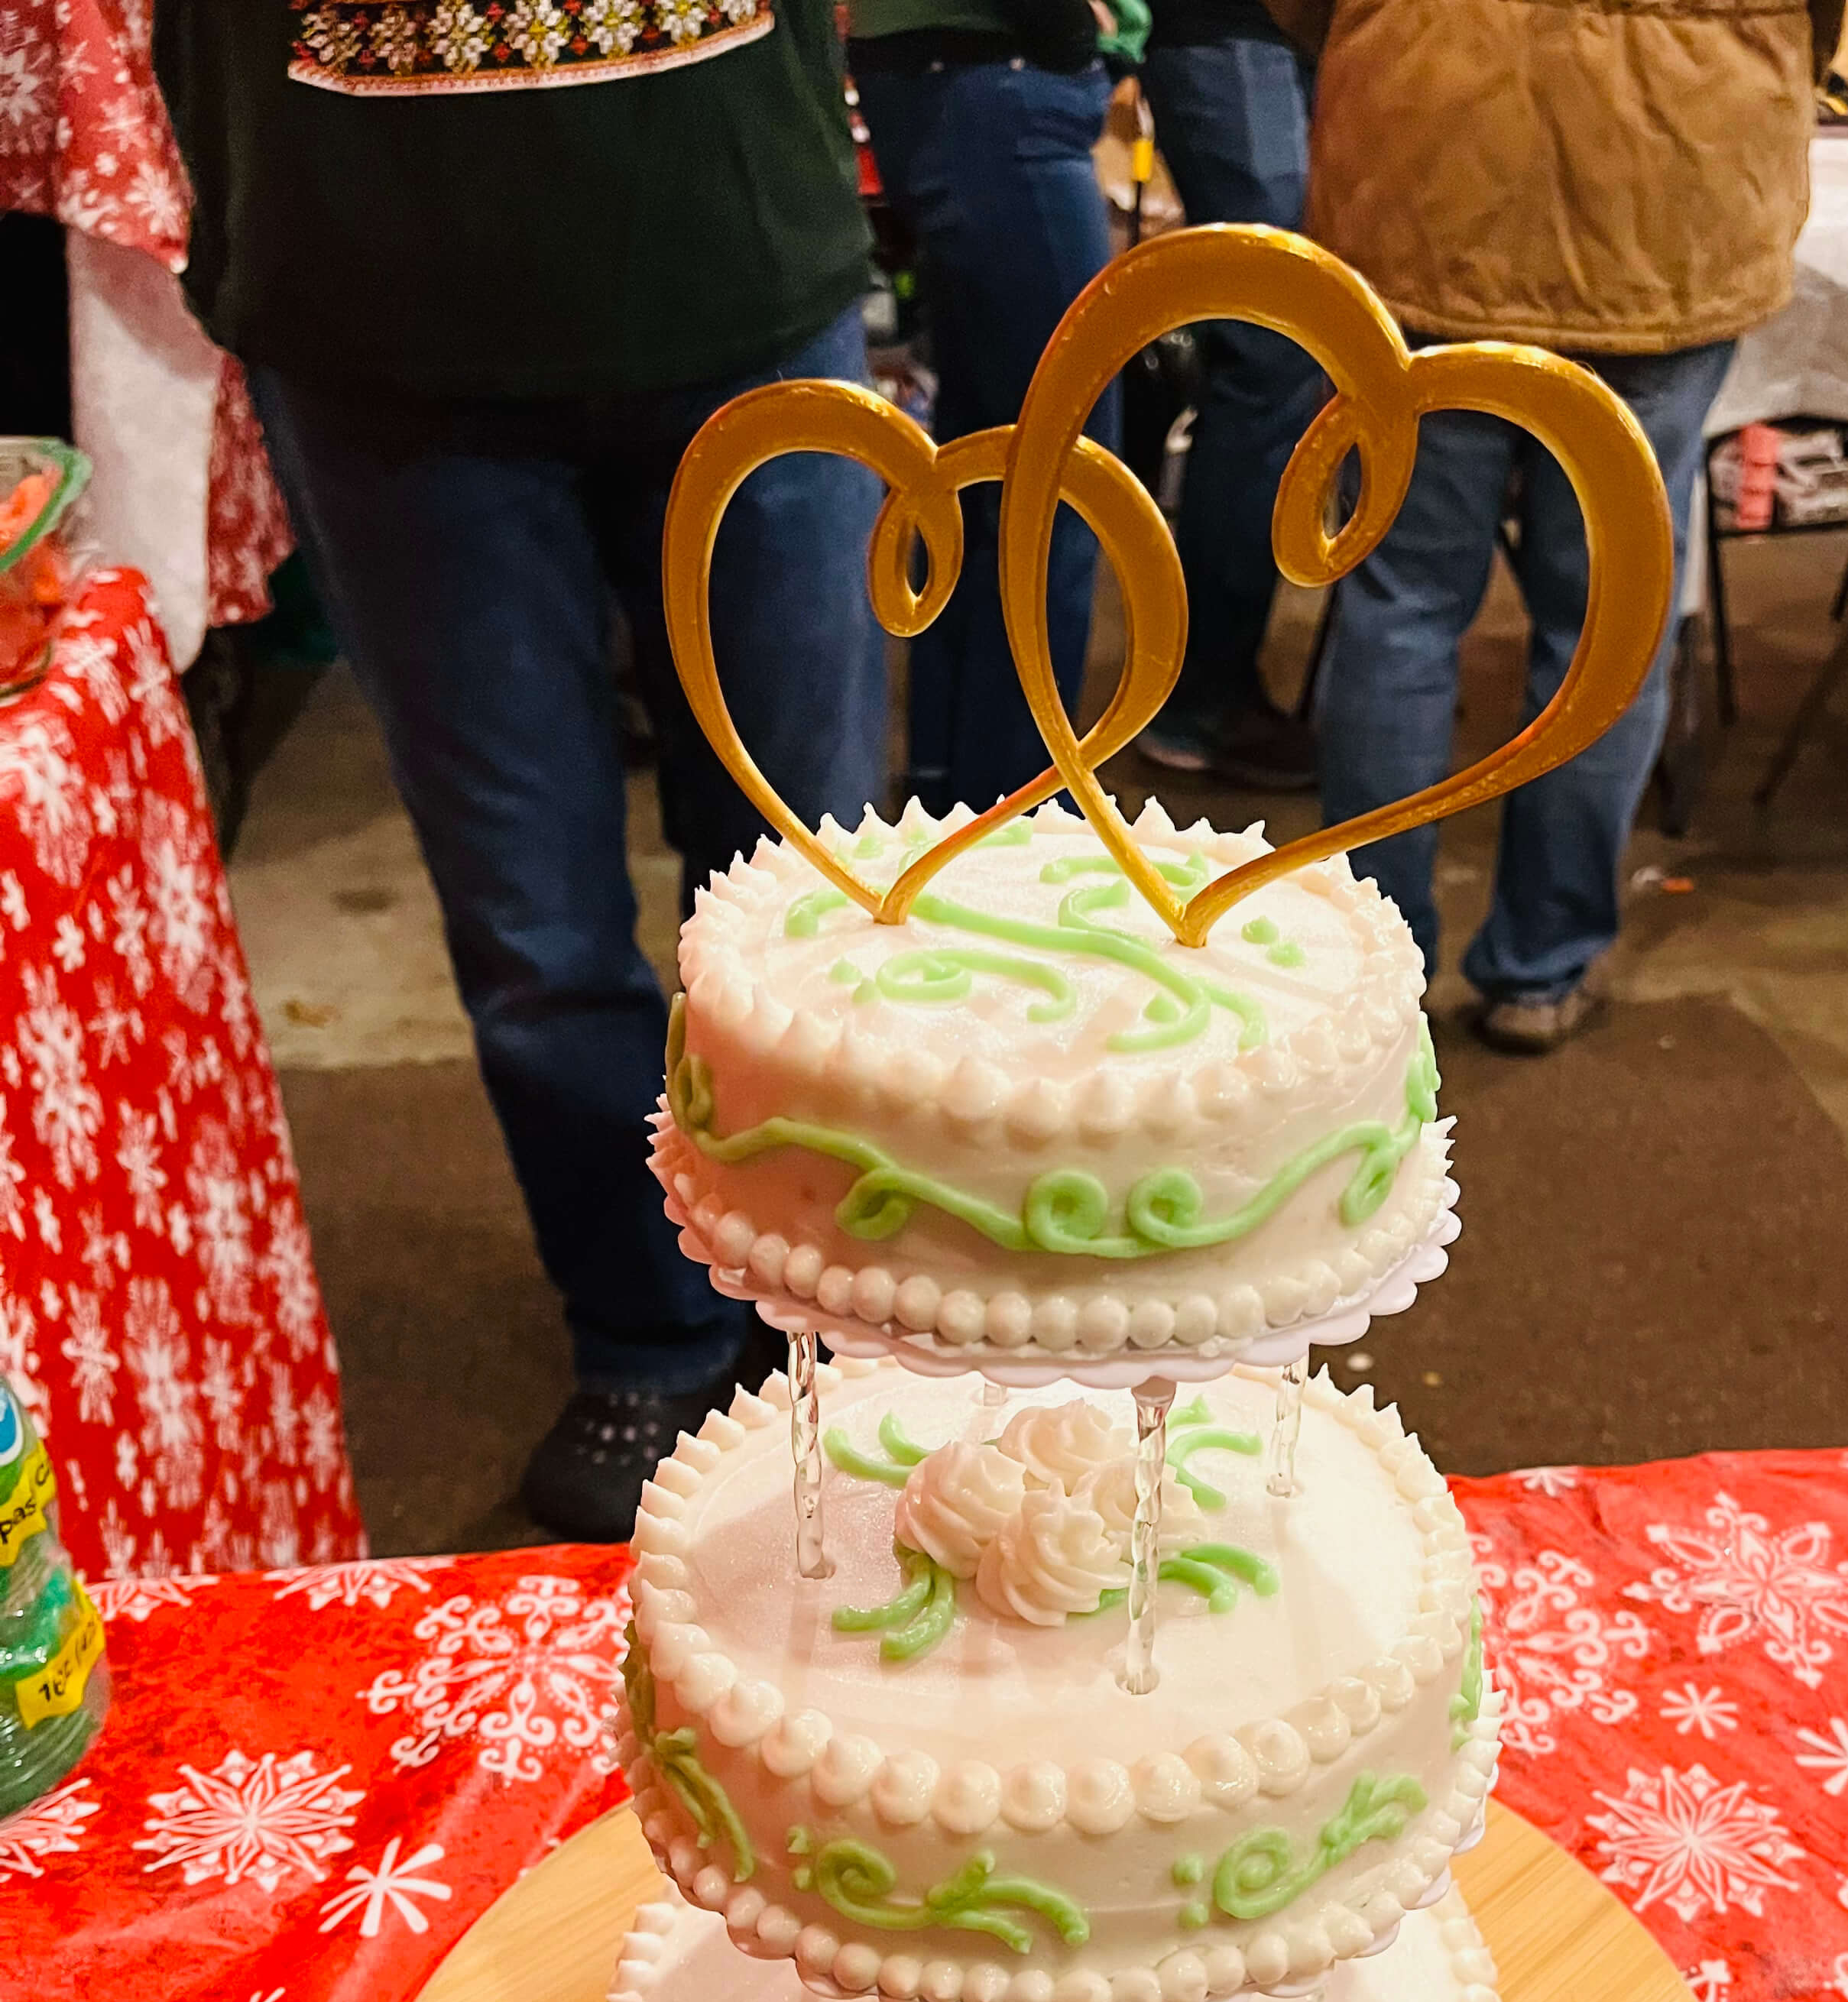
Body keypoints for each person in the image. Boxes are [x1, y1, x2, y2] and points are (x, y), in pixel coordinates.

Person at [152, 2, 887, 1542]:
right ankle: (649, 1329)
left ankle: (829, 1305)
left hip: (733, 239)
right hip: (376, 301)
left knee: (809, 890)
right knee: (533, 930)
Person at [1266, 0, 1819, 1054]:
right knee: (1606, 626)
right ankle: (1541, 969)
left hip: (1426, 153)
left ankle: (1377, 970)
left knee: (1400, 608)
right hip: (1677, 174)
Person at [848, 0, 1130, 817]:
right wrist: (1068, 30)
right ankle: (1018, 820)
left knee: (985, 475)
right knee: (1060, 486)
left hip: (956, 79)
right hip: (995, 75)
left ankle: (958, 798)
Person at [1132, 0, 1322, 789]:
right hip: (1229, 21)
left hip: (1282, 27)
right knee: (1275, 350)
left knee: (1279, 348)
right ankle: (1200, 697)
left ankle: (1209, 684)